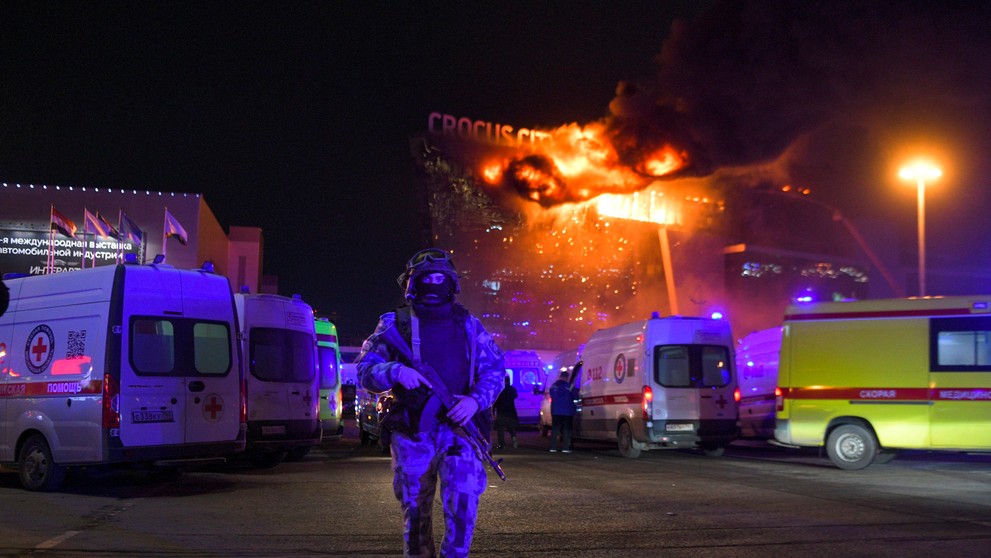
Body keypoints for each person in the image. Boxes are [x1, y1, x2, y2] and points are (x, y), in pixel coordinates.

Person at [357, 248, 505, 558]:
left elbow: (495, 370)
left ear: (451, 283)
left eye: (441, 278)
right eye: (427, 278)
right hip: (413, 431)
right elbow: (365, 371)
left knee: (463, 505)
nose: (434, 284)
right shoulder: (394, 324)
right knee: (416, 510)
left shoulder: (469, 325)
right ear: (412, 283)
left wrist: (475, 401)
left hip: (459, 430)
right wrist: (395, 371)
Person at [549, 370, 578, 453]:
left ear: (560, 377)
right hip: (568, 412)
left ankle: (553, 447)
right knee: (566, 429)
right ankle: (565, 448)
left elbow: (553, 396)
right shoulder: (570, 386)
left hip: (556, 411)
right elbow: (575, 396)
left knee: (555, 429)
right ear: (567, 378)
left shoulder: (553, 386)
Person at [493, 375, 519, 449]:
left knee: (500, 429)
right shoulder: (512, 389)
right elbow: (515, 396)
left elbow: (495, 400)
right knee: (511, 427)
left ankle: (502, 444)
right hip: (511, 411)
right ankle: (513, 437)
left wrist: (493, 410)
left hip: (501, 411)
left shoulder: (499, 389)